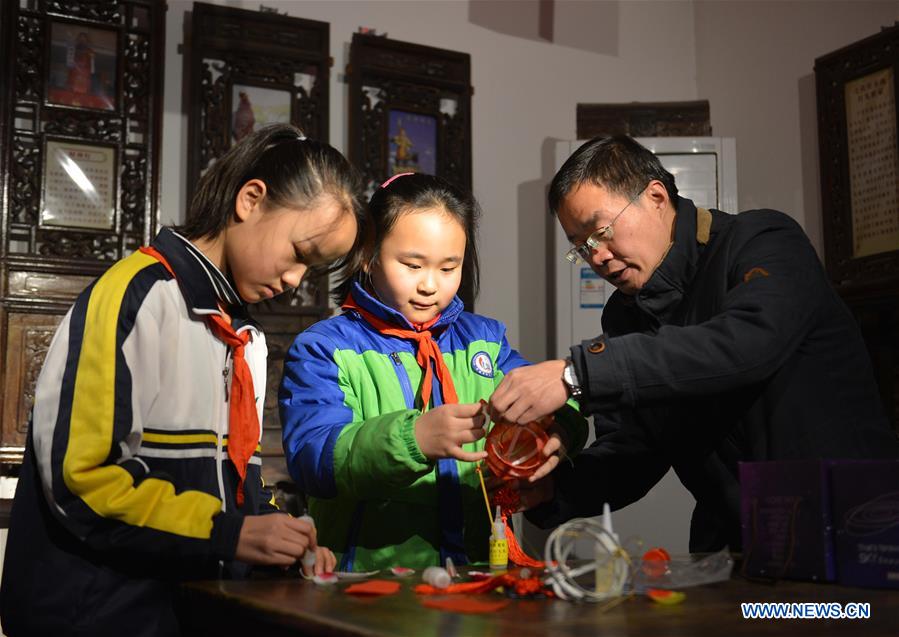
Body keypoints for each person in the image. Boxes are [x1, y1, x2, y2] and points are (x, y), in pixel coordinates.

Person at [0, 124, 366, 636]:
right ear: (251, 199)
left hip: (184, 611)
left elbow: (234, 477)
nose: (294, 280)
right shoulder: (137, 296)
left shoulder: (243, 335)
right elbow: (80, 480)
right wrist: (229, 534)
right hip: (96, 614)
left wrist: (277, 537)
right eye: (300, 254)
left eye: (313, 270)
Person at [488, 135, 899, 552]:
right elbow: (635, 449)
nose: (597, 257)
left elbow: (747, 344)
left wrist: (576, 374)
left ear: (655, 196)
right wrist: (552, 490)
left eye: (601, 232)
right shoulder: (624, 315)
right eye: (582, 247)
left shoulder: (763, 240)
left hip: (848, 529)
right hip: (733, 548)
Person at [279, 173, 586, 571]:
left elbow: (551, 401)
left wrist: (558, 433)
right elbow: (313, 458)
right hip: (367, 579)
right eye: (412, 264)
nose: (430, 285)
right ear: (368, 254)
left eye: (448, 268)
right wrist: (414, 439)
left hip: (475, 573)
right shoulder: (325, 348)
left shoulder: (485, 343)